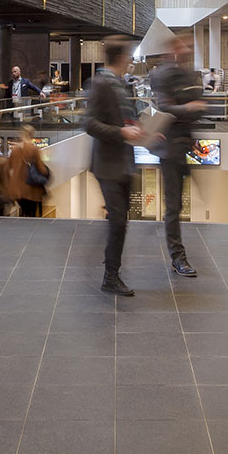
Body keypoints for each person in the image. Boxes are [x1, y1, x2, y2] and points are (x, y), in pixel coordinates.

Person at [85, 37, 142, 296]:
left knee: (120, 222)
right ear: (121, 57)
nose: (130, 60)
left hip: (124, 162)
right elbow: (90, 123)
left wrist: (142, 130)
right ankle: (110, 277)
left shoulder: (120, 85)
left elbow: (126, 119)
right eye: (128, 56)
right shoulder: (100, 84)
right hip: (108, 165)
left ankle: (112, 273)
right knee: (118, 222)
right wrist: (122, 132)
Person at [149, 34, 206, 277]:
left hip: (183, 146)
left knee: (178, 204)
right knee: (173, 206)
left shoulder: (187, 75)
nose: (188, 51)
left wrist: (189, 109)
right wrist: (188, 108)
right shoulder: (163, 74)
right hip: (169, 149)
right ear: (173, 49)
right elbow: (165, 107)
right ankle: (178, 258)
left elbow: (200, 106)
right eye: (185, 46)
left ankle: (178, 256)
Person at [6, 125, 50, 217]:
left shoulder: (15, 149)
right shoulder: (34, 149)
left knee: (23, 211)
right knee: (31, 214)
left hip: (17, 189)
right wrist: (47, 173)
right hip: (30, 189)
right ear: (32, 135)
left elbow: (8, 167)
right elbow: (41, 168)